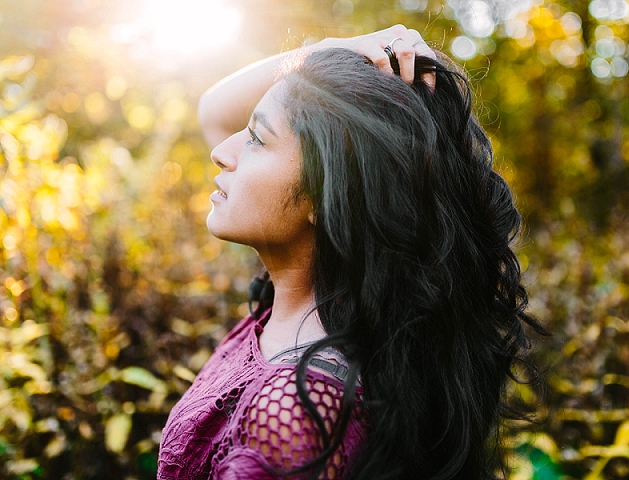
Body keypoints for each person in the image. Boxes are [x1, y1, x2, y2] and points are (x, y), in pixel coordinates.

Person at [157, 24, 545, 480]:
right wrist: (324, 52)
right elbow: (212, 110)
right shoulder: (312, 302)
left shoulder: (295, 412)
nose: (223, 151)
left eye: (257, 138)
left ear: (330, 197)